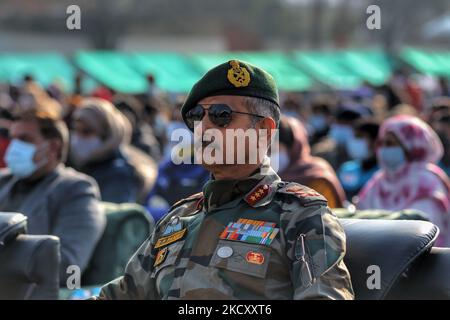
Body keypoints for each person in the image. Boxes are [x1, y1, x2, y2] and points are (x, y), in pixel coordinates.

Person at [96, 60, 354, 300]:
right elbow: (122, 294)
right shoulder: (178, 219)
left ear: (263, 130)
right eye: (197, 116)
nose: (204, 128)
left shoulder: (299, 216)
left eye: (221, 115)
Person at [0, 102, 105, 285]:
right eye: (13, 138)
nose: (15, 147)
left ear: (53, 147)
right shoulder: (4, 180)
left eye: (25, 139)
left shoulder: (76, 190)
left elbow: (69, 266)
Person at [357, 115, 450, 246]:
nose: (383, 149)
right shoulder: (379, 180)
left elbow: (423, 232)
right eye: (382, 143)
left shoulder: (426, 183)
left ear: (411, 145)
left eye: (390, 144)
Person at [69, 97, 156, 204]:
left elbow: (111, 217)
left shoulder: (119, 175)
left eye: (86, 131)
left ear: (107, 135)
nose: (78, 138)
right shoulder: (82, 164)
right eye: (75, 130)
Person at [277, 115, 346, 208]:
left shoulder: (317, 177)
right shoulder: (262, 179)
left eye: (274, 149)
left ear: (294, 147)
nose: (267, 156)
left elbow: (325, 217)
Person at [338, 119, 380, 200]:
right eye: (355, 137)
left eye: (360, 137)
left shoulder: (381, 172)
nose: (355, 142)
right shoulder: (347, 168)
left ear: (375, 141)